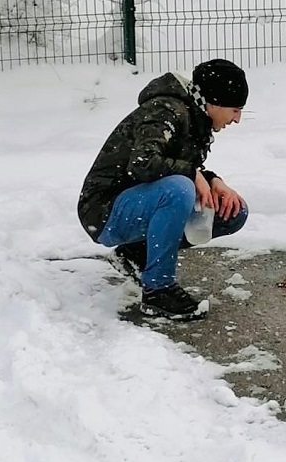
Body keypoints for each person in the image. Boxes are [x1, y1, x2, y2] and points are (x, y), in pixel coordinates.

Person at [78, 58, 249, 321]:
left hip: (139, 202)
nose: (237, 119)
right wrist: (192, 174)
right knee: (179, 190)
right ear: (214, 101)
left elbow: (172, 166)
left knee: (232, 210)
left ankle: (136, 254)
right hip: (103, 211)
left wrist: (213, 180)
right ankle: (158, 290)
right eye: (235, 109)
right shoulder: (166, 110)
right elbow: (143, 165)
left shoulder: (195, 115)